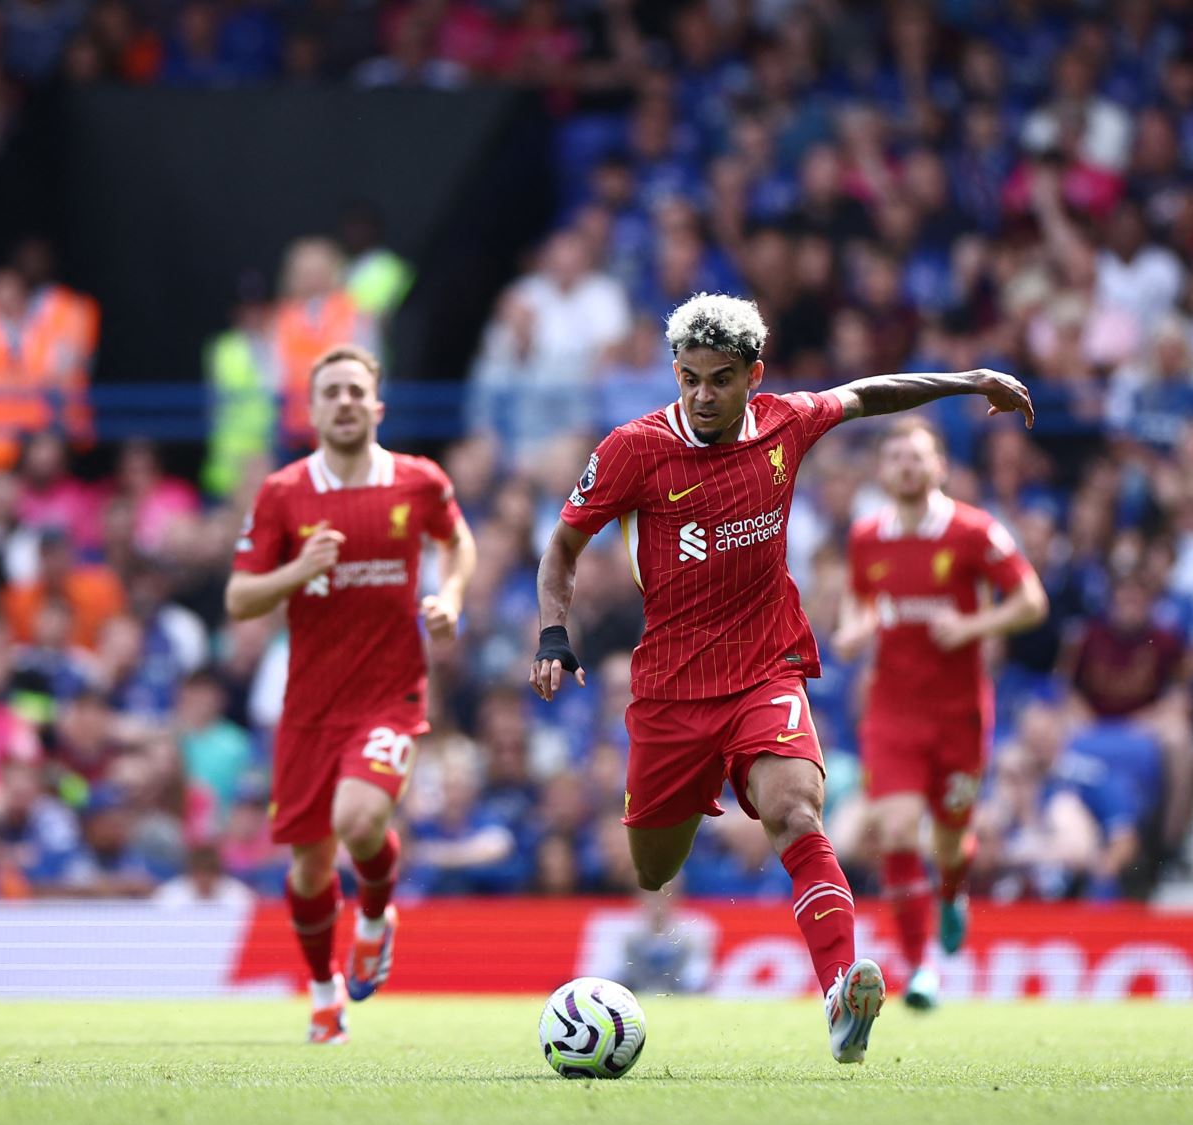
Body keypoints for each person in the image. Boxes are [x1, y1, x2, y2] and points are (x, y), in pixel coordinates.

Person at [530, 292, 1033, 1064]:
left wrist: (969, 380)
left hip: (766, 669)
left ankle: (839, 993)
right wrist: (554, 632)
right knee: (653, 865)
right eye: (689, 377)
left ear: (753, 376)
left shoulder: (785, 424)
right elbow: (562, 548)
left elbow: (869, 394)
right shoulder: (633, 450)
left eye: (720, 379)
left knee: (796, 814)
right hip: (669, 691)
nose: (702, 395)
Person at [225, 344, 476, 1044]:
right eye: (330, 391)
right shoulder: (283, 494)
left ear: (377, 406)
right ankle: (322, 988)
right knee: (307, 866)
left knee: (360, 820)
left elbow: (459, 543)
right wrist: (297, 571)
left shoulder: (418, 481)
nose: (343, 401)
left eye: (354, 391)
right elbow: (241, 598)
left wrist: (450, 596)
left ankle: (373, 918)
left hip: (390, 694)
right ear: (311, 410)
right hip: (307, 709)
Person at [832, 418, 1047, 1009]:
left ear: (940, 466)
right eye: (894, 457)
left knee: (950, 846)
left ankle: (953, 893)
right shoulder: (867, 535)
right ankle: (919, 967)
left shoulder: (975, 531)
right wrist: (854, 627)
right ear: (882, 470)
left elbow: (1032, 601)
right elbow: (860, 597)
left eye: (916, 456)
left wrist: (974, 626)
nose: (905, 465)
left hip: (959, 716)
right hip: (893, 713)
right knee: (898, 831)